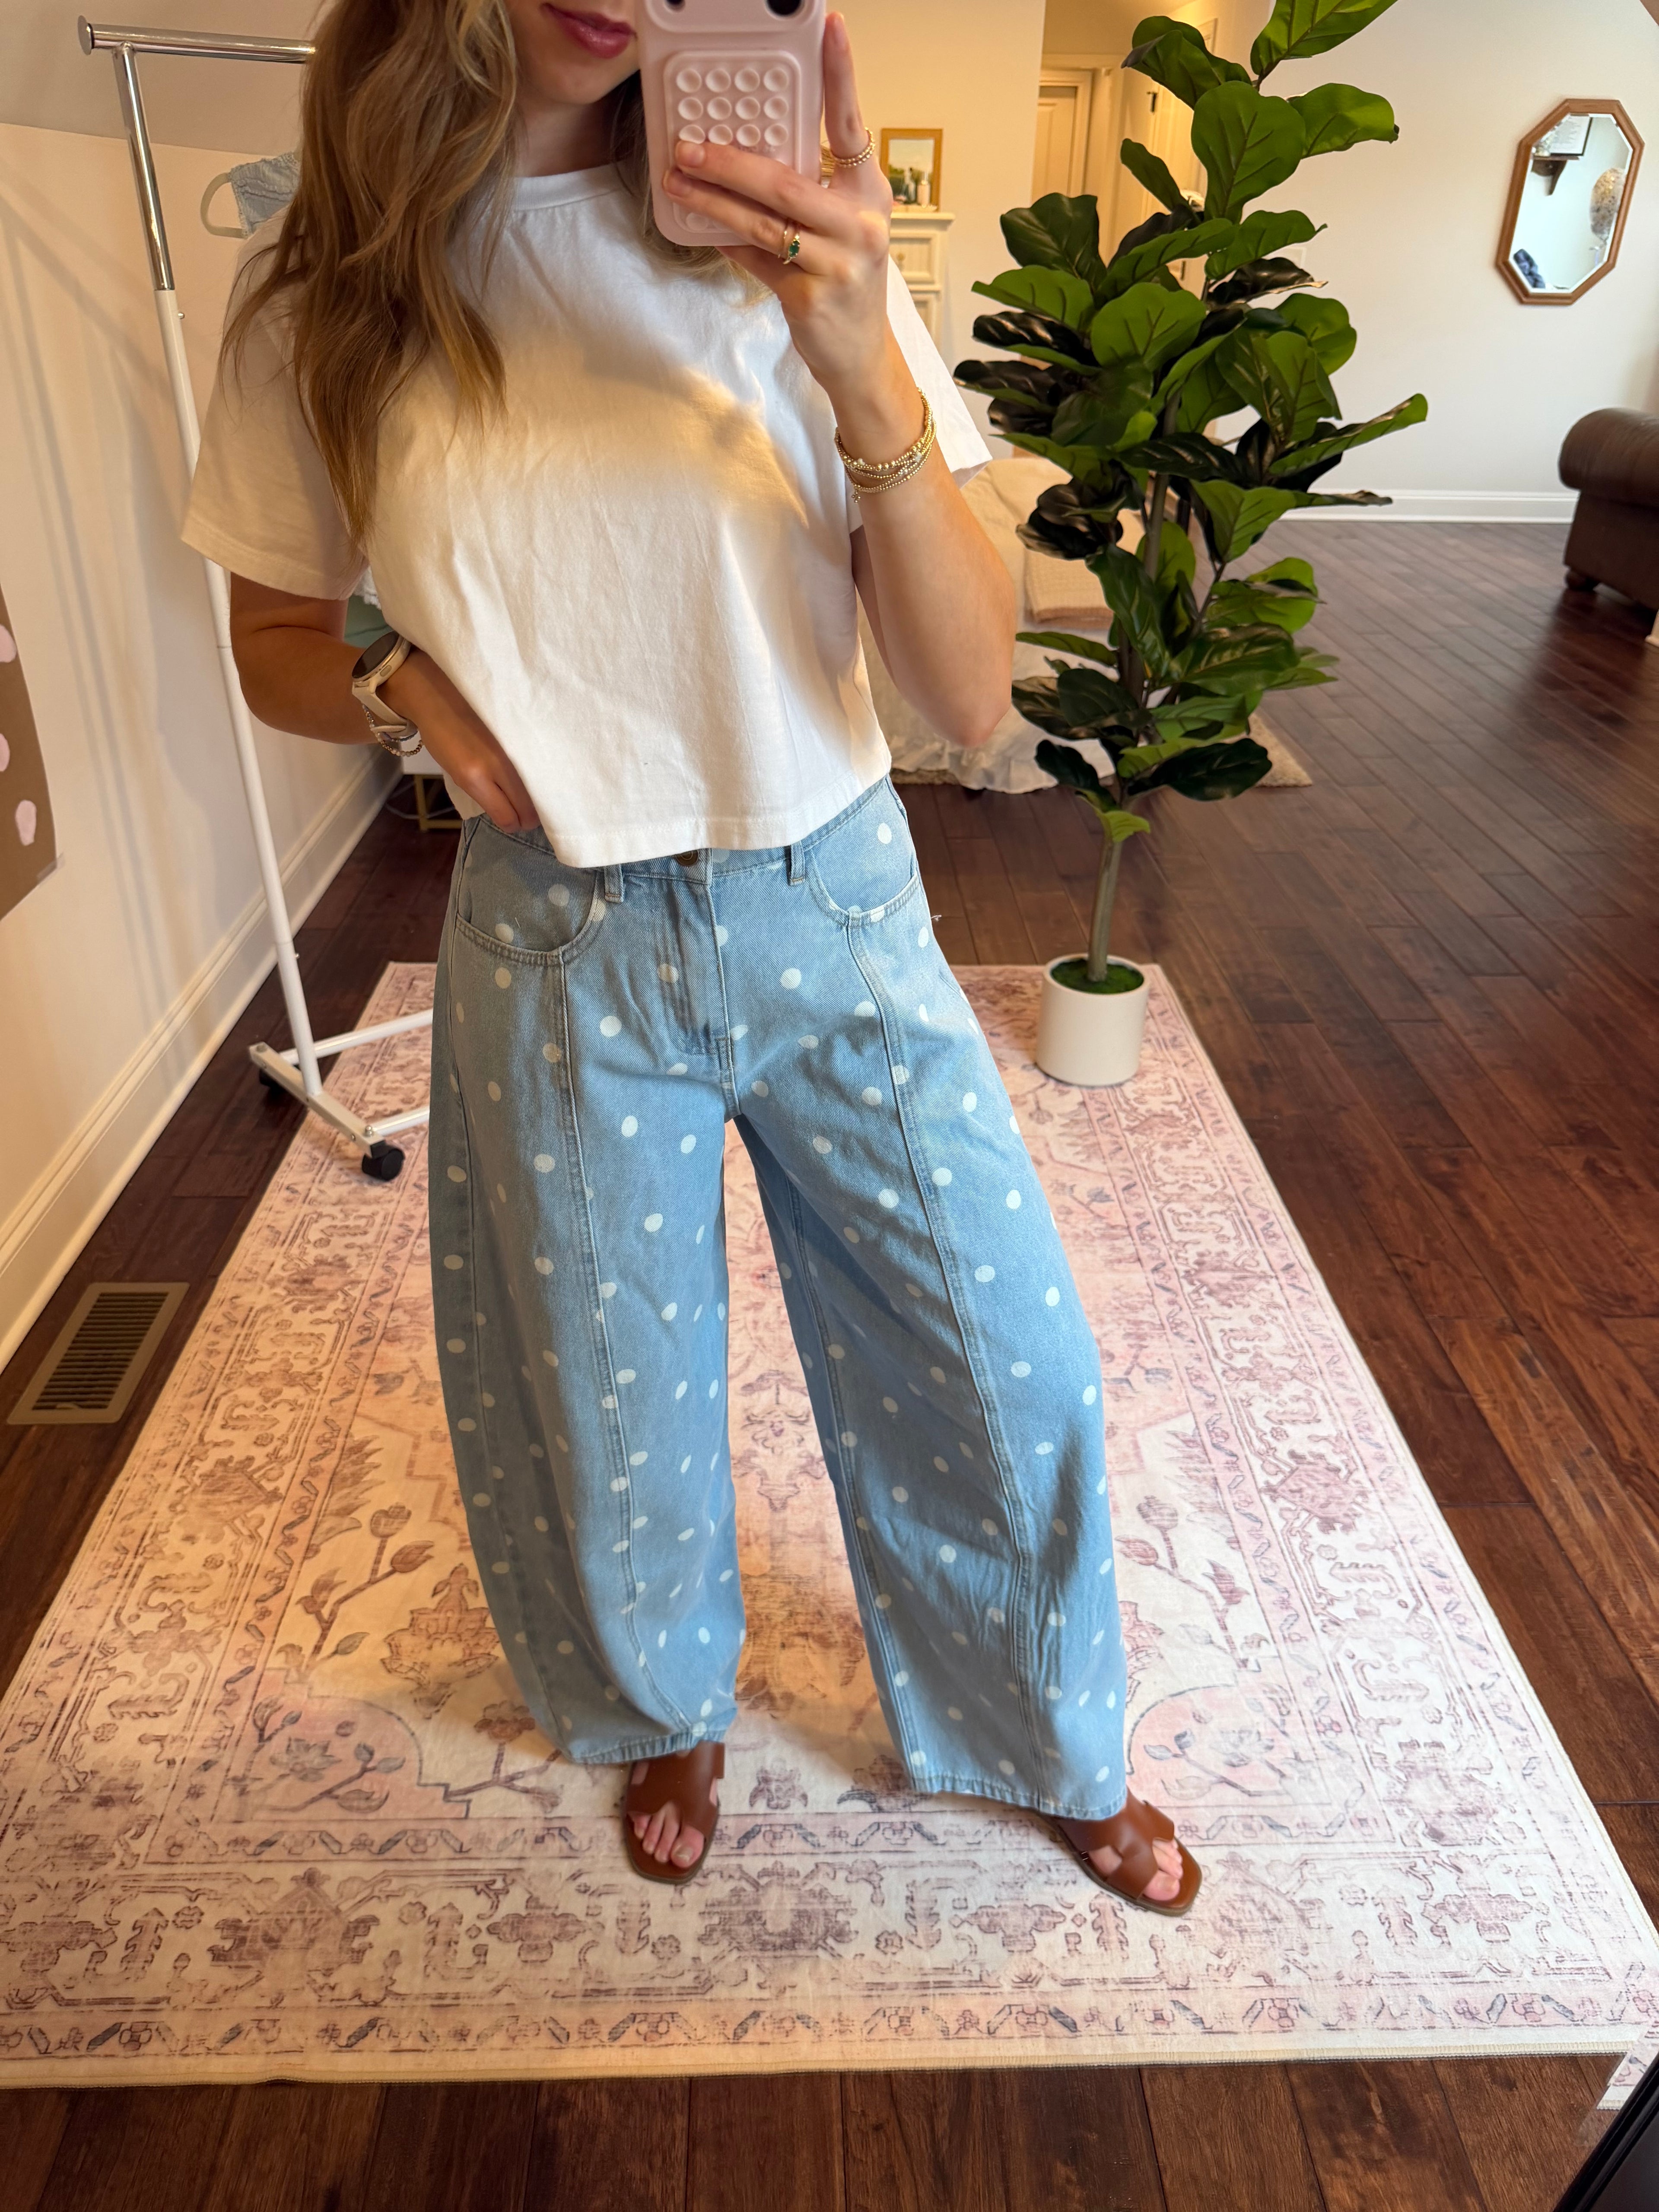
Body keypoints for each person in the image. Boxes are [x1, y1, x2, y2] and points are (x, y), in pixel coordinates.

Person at [183, 0, 1198, 1914]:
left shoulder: (792, 231)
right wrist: (402, 674)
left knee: (1005, 1355)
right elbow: (269, 636)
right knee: (604, 1383)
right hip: (559, 933)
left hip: (830, 890)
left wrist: (861, 367)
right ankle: (661, 1699)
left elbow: (969, 689)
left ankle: (1041, 1724)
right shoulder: (331, 280)